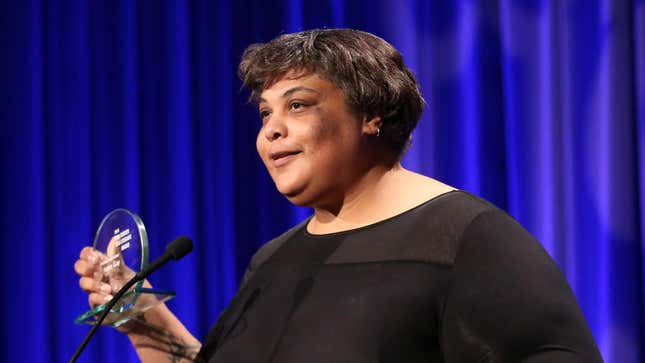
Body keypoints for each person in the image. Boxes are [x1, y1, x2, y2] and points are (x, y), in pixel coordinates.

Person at [74, 28, 603, 362]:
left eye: (298, 105)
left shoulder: (467, 240)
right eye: (265, 114)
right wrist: (144, 318)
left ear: (372, 114)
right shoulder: (274, 259)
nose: (271, 131)